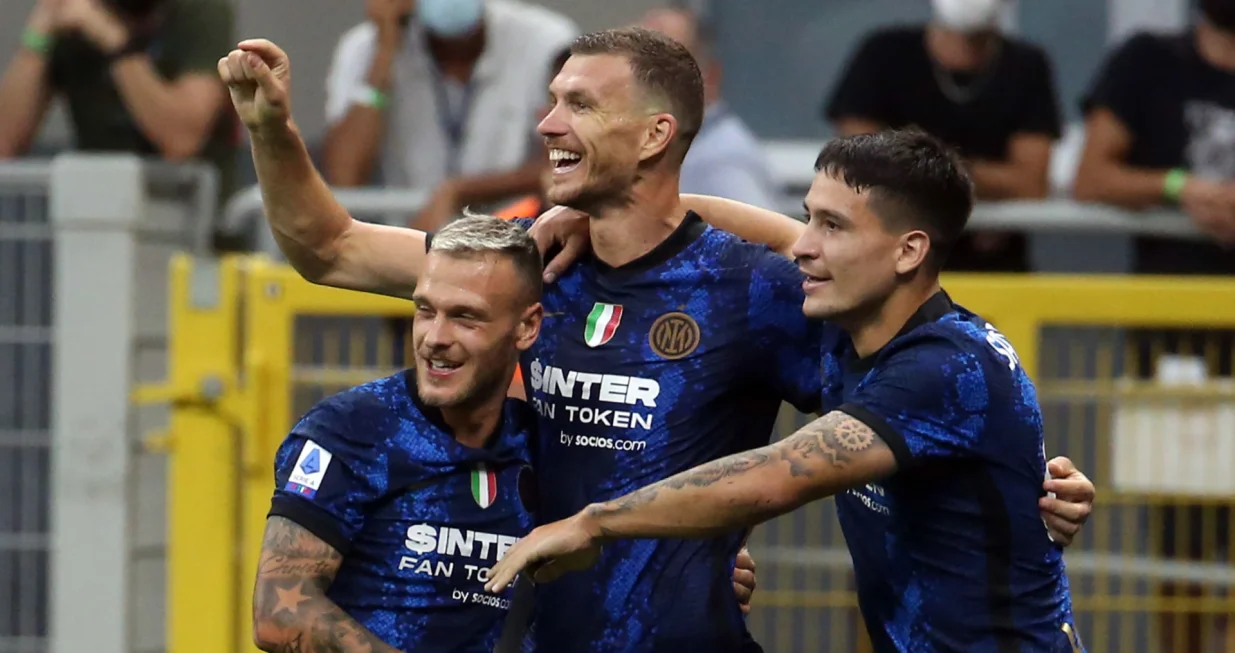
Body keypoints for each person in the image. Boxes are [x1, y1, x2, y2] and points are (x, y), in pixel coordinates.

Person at [219, 33, 1093, 652]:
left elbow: (904, 347)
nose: (547, 124)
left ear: (653, 135)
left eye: (578, 104)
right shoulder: (526, 268)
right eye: (551, 99)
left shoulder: (757, 290)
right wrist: (270, 129)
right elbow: (327, 248)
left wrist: (1029, 481)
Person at [486, 130, 1086, 653]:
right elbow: (777, 236)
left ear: (909, 251)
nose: (803, 243)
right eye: (810, 216)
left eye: (831, 226)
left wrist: (591, 523)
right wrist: (615, 217)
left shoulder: (945, 367)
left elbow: (774, 478)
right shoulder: (859, 334)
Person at [249, 215, 544, 653]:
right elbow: (278, 612)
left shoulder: (544, 444)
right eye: (425, 310)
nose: (434, 338)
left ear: (526, 327)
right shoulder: (351, 430)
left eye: (465, 317)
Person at [824, 0, 1062, 272]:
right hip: (889, 265)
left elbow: (1030, 183)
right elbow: (860, 165)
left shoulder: (1026, 66)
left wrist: (912, 168)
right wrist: (978, 184)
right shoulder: (883, 54)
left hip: (992, 273)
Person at [322, 0, 576, 230]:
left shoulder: (545, 40)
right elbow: (345, 178)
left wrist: (460, 191)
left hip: (516, 236)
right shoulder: (366, 47)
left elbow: (564, 162)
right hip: (405, 238)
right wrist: (383, 56)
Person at [0, 0, 237, 241]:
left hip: (193, 234)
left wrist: (115, 43)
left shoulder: (201, 11)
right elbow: (4, 143)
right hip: (99, 227)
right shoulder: (73, 14)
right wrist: (38, 33)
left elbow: (181, 140)